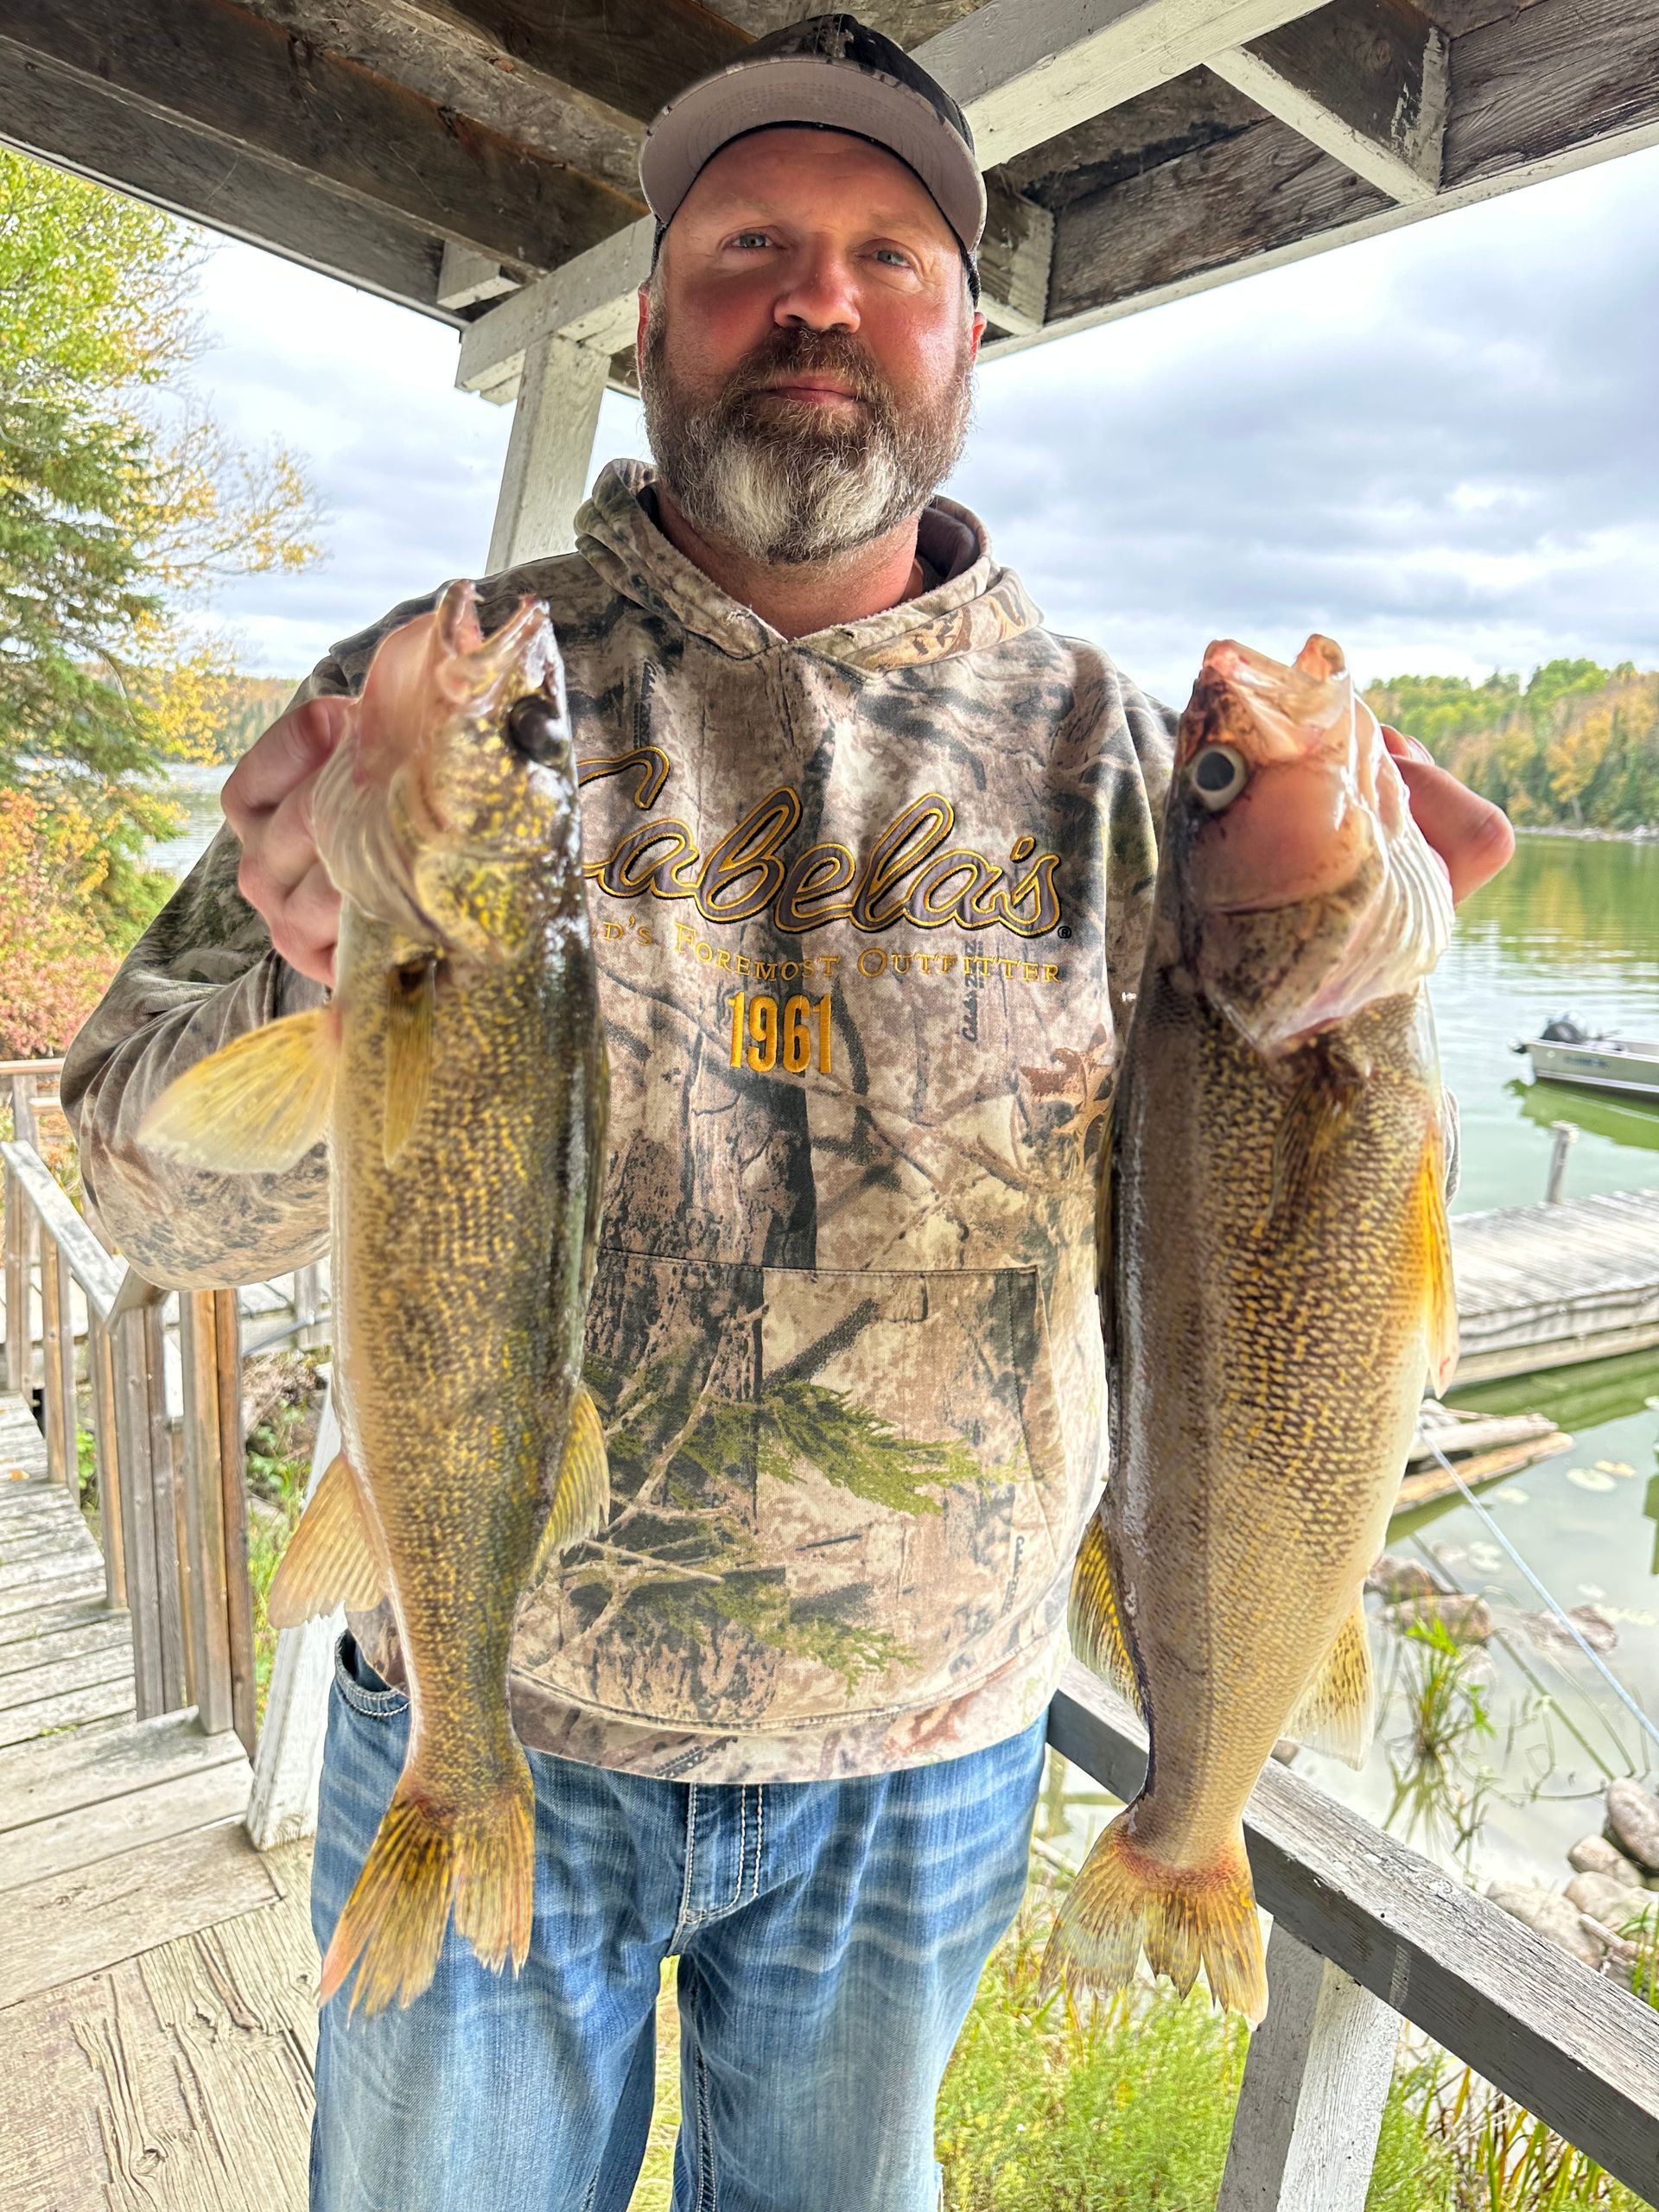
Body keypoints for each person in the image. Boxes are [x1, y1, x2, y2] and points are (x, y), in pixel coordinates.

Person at [61, 16, 1514, 2209]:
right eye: (747, 242)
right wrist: (305, 965)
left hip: (924, 1765)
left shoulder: (1121, 760)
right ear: (648, 320)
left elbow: (1267, 1262)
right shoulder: (444, 688)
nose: (816, 297)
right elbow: (144, 1185)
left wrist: (1372, 976)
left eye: (884, 253)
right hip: (489, 1694)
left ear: (962, 339)